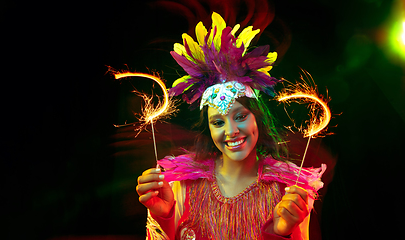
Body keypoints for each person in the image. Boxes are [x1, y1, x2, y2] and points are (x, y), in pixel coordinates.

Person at [136, 12, 326, 240]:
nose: (231, 131)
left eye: (240, 116)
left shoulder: (288, 191)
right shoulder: (181, 186)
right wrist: (164, 217)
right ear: (209, 129)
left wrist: (281, 233)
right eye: (218, 122)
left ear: (258, 118)